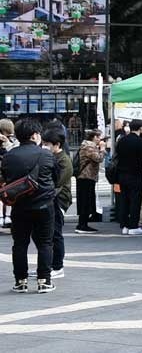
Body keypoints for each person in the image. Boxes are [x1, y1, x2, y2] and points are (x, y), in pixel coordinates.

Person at [3, 118, 57, 292]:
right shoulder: (47, 154)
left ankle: (21, 281)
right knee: (45, 243)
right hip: (44, 205)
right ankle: (44, 281)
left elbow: (6, 178)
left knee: (19, 244)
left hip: (19, 206)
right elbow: (55, 178)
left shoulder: (9, 156)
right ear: (35, 135)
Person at [43, 127, 72, 279]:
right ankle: (49, 265)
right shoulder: (54, 157)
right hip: (52, 198)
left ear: (57, 144)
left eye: (47, 143)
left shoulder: (64, 160)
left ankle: (58, 266)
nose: (45, 146)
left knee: (56, 234)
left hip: (59, 199)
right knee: (49, 234)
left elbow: (58, 182)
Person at [113, 120, 142, 235]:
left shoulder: (122, 140)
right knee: (135, 200)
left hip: (121, 175)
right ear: (141, 128)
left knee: (124, 200)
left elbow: (117, 156)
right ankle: (133, 226)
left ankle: (124, 226)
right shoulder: (140, 141)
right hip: (135, 174)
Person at [75, 129, 105, 232]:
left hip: (87, 176)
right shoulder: (89, 146)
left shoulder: (88, 145)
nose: (99, 139)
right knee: (85, 201)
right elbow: (98, 158)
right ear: (93, 137)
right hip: (86, 176)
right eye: (98, 137)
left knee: (86, 200)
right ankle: (82, 224)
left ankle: (83, 223)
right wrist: (102, 149)